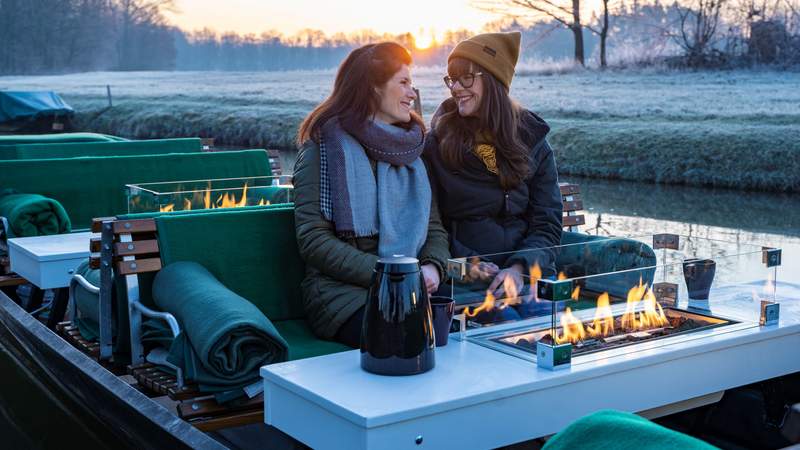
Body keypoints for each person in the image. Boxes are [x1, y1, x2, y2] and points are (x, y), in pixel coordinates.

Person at [293, 42, 450, 347]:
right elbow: (313, 240)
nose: (412, 93)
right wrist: (393, 275)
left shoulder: (413, 151)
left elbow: (433, 228)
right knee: (408, 338)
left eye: (412, 83)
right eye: (403, 82)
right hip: (343, 295)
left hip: (411, 289)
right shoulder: (323, 150)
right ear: (372, 89)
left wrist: (432, 266)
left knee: (457, 330)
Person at [423, 32, 563, 319]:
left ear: (494, 80)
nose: (456, 88)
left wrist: (519, 268)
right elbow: (429, 227)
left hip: (523, 276)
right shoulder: (436, 144)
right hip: (462, 278)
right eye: (452, 79)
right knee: (508, 325)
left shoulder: (533, 142)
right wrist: (471, 266)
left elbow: (547, 222)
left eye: (466, 78)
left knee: (549, 317)